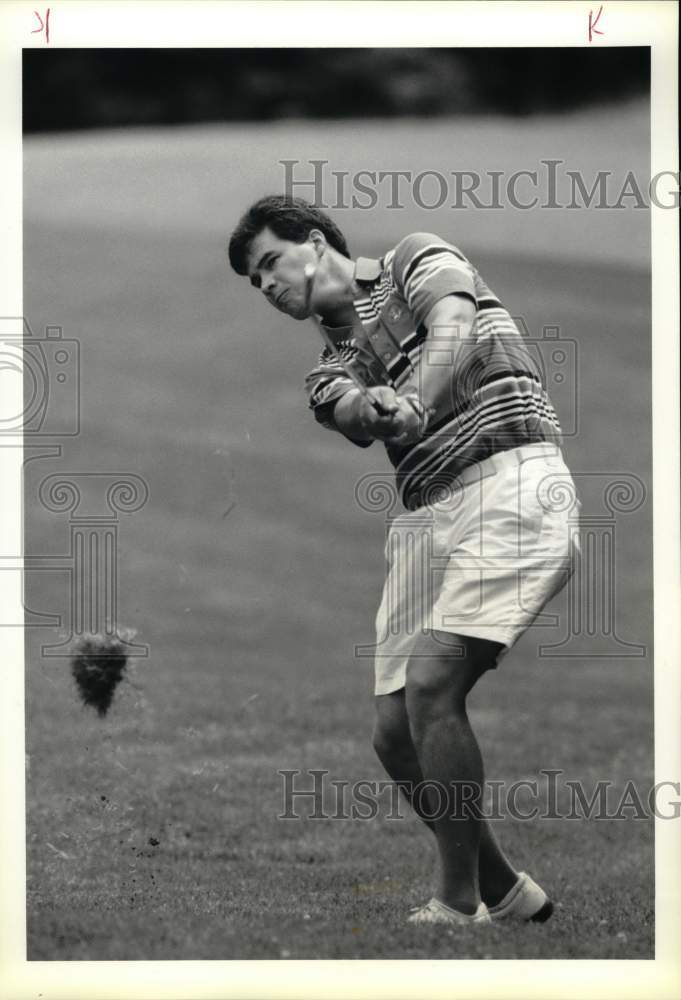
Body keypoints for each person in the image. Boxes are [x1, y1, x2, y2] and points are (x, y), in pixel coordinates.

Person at [228, 195, 580, 928]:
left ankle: (454, 907)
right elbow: (350, 412)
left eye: (269, 263)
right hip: (426, 519)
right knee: (393, 733)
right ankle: (508, 893)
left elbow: (453, 324)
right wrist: (372, 406)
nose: (265, 286)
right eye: (254, 282)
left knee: (430, 684)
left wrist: (414, 398)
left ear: (316, 243)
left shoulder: (412, 258)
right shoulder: (327, 373)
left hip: (511, 480)